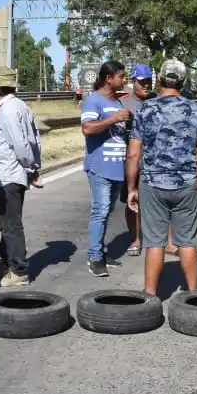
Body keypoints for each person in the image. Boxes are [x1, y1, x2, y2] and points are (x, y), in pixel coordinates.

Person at [126, 59, 197, 298]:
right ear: (183, 82)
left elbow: (133, 153)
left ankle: (151, 295)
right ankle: (194, 294)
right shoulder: (196, 110)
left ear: (159, 79)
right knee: (187, 241)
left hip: (152, 183)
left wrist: (132, 187)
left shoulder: (145, 109)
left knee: (154, 242)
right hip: (186, 181)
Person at [0, 67, 41, 287]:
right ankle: (7, 261)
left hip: (8, 172)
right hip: (11, 174)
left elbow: (21, 144)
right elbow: (35, 138)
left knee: (10, 223)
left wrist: (29, 164)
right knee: (5, 222)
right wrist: (34, 167)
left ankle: (18, 269)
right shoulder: (21, 106)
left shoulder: (7, 111)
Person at [81, 60, 130, 277]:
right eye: (121, 76)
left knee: (107, 212)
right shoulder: (94, 101)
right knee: (100, 212)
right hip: (99, 167)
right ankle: (94, 257)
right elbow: (87, 128)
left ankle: (101, 252)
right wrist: (114, 119)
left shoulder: (118, 102)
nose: (124, 80)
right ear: (108, 78)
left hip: (117, 167)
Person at [118, 64, 153, 256]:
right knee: (132, 202)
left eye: (148, 81)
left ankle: (159, 240)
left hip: (155, 161)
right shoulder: (123, 103)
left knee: (158, 202)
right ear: (133, 82)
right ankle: (136, 239)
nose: (146, 85)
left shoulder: (158, 101)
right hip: (132, 160)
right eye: (142, 82)